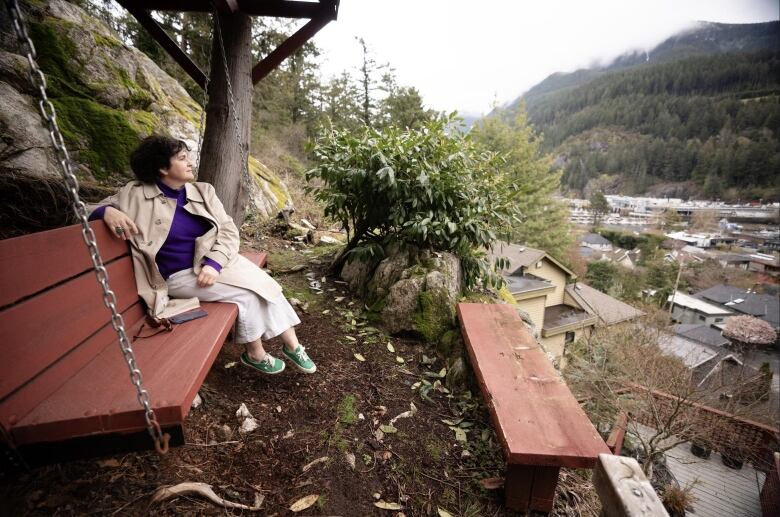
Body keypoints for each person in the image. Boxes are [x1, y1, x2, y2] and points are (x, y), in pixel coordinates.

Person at [89, 134, 314, 375]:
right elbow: (81, 209)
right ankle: (255, 354)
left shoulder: (203, 191)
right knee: (248, 295)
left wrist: (215, 263)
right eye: (183, 158)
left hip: (215, 263)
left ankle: (293, 346)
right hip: (178, 275)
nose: (190, 163)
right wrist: (107, 212)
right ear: (162, 168)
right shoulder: (134, 195)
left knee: (267, 284)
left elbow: (228, 230)